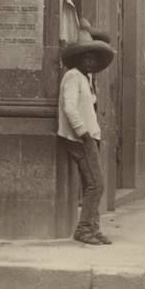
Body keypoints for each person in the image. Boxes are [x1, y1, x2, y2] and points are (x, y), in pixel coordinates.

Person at [57, 29, 115, 245]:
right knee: (96, 185)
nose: (90, 62)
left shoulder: (85, 78)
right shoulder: (72, 76)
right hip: (81, 139)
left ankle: (94, 227)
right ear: (78, 58)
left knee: (92, 184)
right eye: (86, 57)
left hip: (89, 137)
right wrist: (84, 133)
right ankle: (83, 229)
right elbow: (69, 107)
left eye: (93, 58)